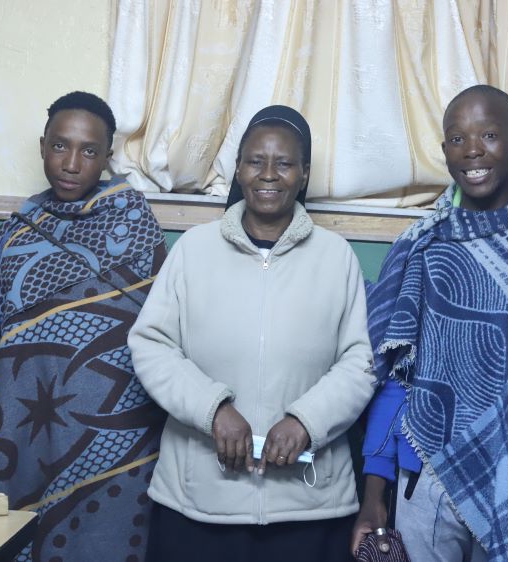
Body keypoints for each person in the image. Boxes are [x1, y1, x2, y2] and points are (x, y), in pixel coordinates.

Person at [353, 85, 508, 562]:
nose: (472, 151)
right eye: (457, 139)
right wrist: (374, 491)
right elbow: (394, 379)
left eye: (488, 135)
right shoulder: (425, 247)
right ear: (444, 149)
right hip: (427, 477)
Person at [128, 105, 375, 562]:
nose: (268, 174)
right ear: (238, 170)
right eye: (255, 161)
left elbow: (359, 362)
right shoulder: (192, 252)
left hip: (309, 506)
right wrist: (213, 409)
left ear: (303, 175)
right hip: (198, 504)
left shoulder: (336, 257)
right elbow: (151, 344)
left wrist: (306, 420)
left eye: (284, 163)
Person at [0, 91, 167, 562]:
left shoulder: (135, 221)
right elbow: (6, 332)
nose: (71, 163)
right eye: (59, 146)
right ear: (42, 145)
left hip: (118, 430)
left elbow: (161, 330)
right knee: (33, 536)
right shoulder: (15, 231)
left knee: (108, 542)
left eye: (89, 151)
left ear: (107, 158)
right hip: (28, 425)